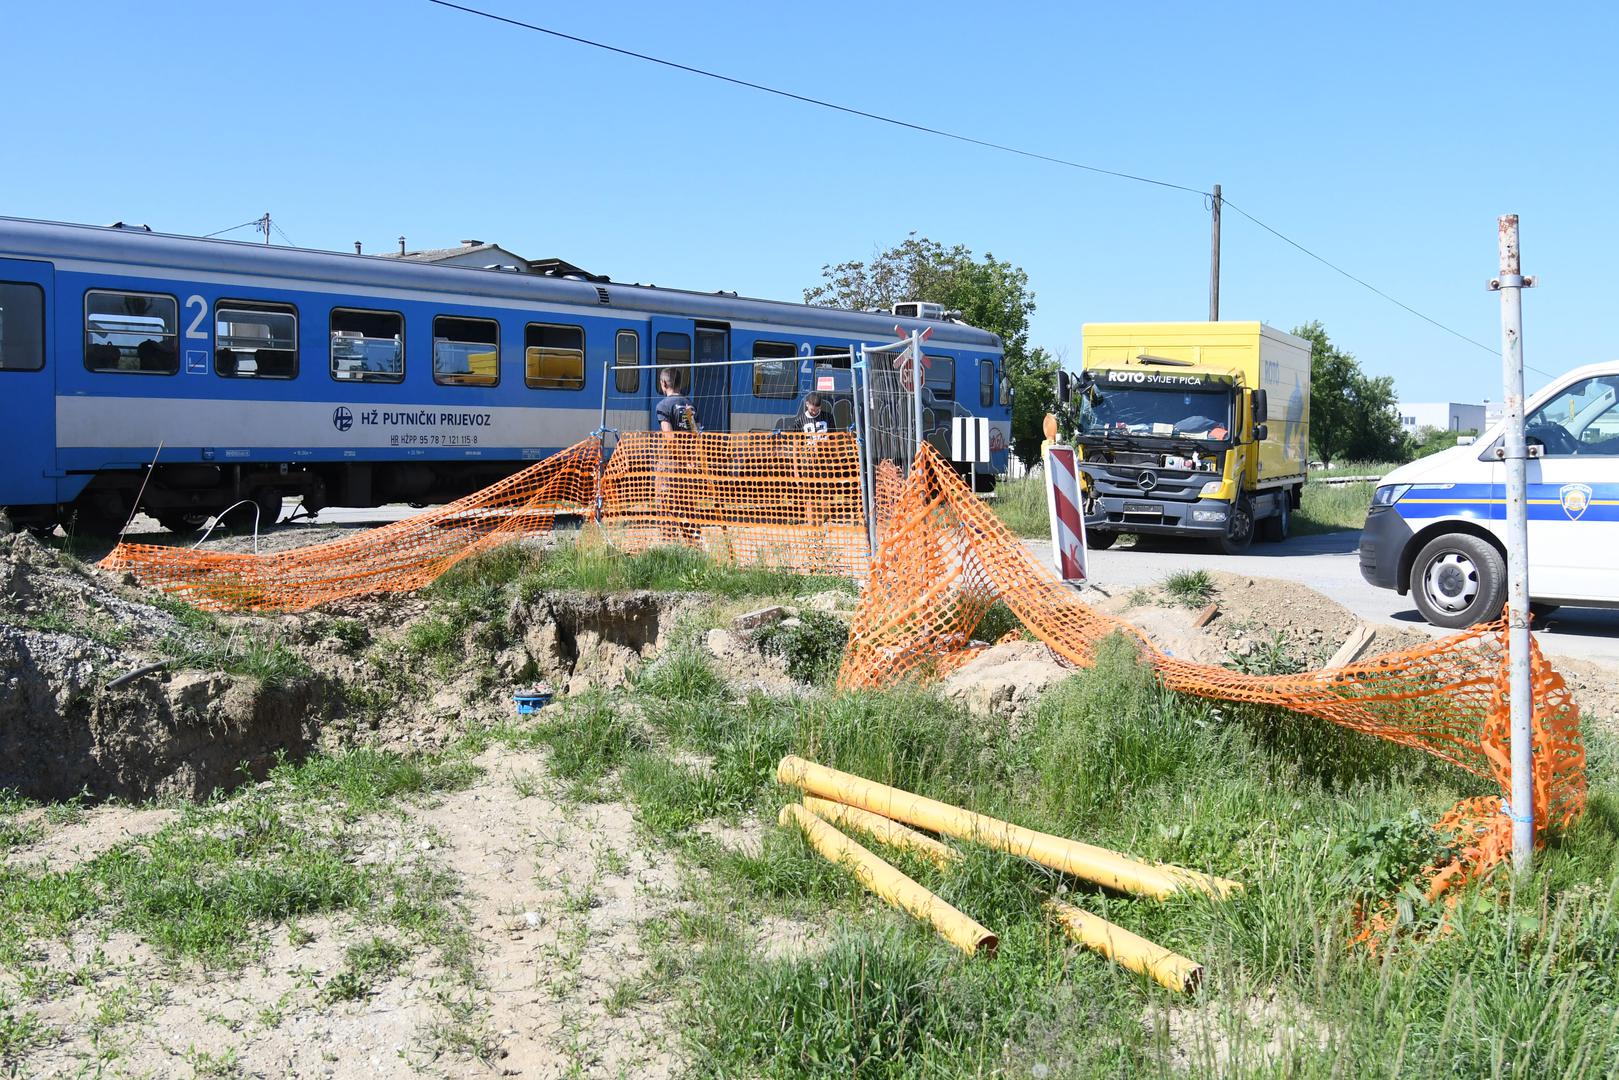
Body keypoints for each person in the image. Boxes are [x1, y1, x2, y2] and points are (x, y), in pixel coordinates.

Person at [653, 367, 698, 542]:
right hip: (688, 468)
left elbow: (669, 438)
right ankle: (693, 548)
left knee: (666, 509)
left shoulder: (663, 406)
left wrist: (682, 458)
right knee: (687, 508)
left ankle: (670, 548)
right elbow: (695, 434)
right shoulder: (689, 405)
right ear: (681, 383)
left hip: (670, 465)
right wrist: (692, 459)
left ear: (663, 384)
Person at [655, 367, 696, 434]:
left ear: (664, 383)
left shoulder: (663, 406)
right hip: (690, 444)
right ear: (679, 383)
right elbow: (696, 433)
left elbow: (670, 437)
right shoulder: (690, 404)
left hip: (674, 444)